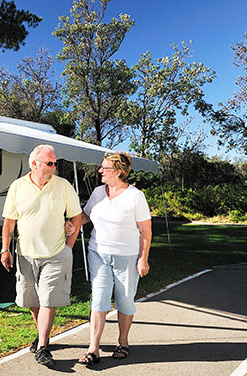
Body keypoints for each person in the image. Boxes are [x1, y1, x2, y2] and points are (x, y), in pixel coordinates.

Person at [0, 144, 83, 368]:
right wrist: (5, 248)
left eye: (55, 163)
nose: (53, 167)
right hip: (25, 255)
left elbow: (76, 217)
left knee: (48, 300)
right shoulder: (17, 187)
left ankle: (43, 346)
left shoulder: (63, 186)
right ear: (34, 164)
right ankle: (42, 334)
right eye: (49, 163)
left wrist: (68, 246)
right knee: (32, 301)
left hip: (56, 254)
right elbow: (9, 221)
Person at [71, 152, 152, 366]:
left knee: (125, 300)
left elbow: (145, 230)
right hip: (98, 252)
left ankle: (123, 342)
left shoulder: (135, 196)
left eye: (105, 168)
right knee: (98, 299)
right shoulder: (98, 192)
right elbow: (86, 215)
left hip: (127, 255)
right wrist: (73, 222)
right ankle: (93, 348)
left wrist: (143, 258)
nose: (100, 171)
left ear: (118, 172)